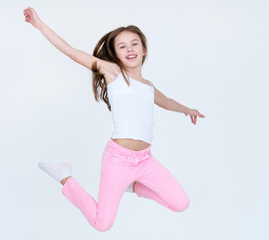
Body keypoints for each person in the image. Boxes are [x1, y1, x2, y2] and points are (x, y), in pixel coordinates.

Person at [23, 6, 205, 232]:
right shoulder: (113, 73)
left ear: (144, 50)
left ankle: (132, 186)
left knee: (180, 203)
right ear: (116, 55)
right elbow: (71, 52)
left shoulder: (148, 86)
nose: (129, 49)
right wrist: (39, 24)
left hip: (145, 160)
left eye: (134, 43)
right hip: (118, 160)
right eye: (122, 46)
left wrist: (188, 110)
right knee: (103, 224)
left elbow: (166, 101)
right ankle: (65, 177)